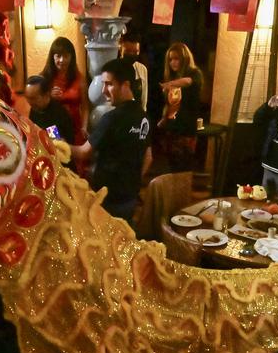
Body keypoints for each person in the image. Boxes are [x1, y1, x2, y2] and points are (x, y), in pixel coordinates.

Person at [72, 58, 152, 222]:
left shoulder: (111, 118)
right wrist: (132, 182)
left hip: (107, 198)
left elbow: (83, 152)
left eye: (109, 84)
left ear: (126, 85)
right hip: (130, 197)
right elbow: (149, 158)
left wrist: (56, 144)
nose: (103, 90)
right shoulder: (143, 117)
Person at [156, 42, 205, 172]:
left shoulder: (195, 73)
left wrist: (170, 84)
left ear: (185, 59)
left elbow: (188, 81)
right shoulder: (172, 76)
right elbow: (170, 104)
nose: (173, 62)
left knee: (184, 165)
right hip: (172, 127)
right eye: (170, 59)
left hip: (186, 128)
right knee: (172, 166)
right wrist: (164, 118)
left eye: (176, 59)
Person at [87, 32, 149, 127]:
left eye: (135, 52)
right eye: (128, 51)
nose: (132, 54)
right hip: (117, 118)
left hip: (136, 117)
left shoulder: (142, 69)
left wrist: (143, 116)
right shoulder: (112, 68)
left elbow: (144, 97)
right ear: (121, 47)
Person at [40, 37, 87, 144]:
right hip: (51, 129)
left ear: (72, 57)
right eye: (58, 56)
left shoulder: (79, 78)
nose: (62, 60)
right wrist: (49, 97)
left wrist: (84, 127)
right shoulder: (44, 78)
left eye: (66, 56)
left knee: (76, 157)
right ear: (52, 57)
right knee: (58, 153)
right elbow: (37, 108)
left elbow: (85, 106)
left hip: (75, 128)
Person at [24, 75, 75, 145]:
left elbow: (56, 141)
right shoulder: (35, 108)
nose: (30, 102)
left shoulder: (57, 113)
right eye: (28, 98)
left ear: (47, 95)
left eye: (33, 98)